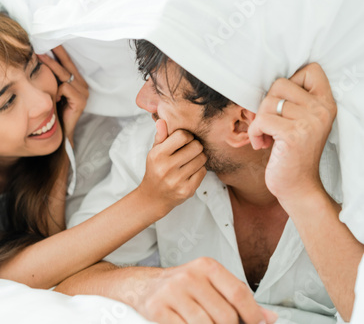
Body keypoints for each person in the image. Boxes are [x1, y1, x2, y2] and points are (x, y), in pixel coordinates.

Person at [0, 14, 211, 291]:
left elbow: (56, 258)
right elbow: (16, 279)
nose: (43, 103)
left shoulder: (82, 130)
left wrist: (63, 147)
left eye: (34, 69)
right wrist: (150, 200)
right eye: (7, 102)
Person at [58, 39, 364, 324]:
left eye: (160, 91)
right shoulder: (150, 153)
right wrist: (143, 287)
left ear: (242, 124)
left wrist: (302, 191)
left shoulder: (352, 166)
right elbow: (62, 276)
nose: (142, 101)